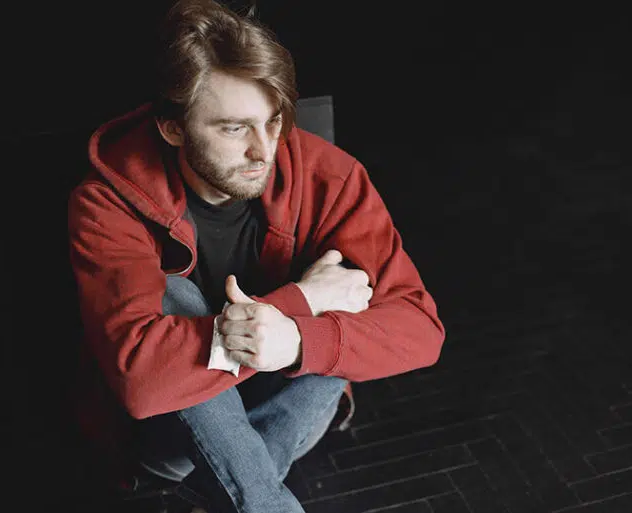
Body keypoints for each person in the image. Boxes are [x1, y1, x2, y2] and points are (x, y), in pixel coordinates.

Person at [66, 0, 445, 511]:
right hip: (172, 437)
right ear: (172, 127)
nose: (264, 150)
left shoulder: (329, 177)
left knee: (338, 324)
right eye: (233, 128)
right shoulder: (109, 200)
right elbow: (141, 383)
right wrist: (300, 304)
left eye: (274, 121)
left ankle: (240, 490)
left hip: (287, 413)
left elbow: (421, 329)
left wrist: (295, 340)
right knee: (175, 293)